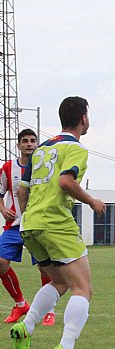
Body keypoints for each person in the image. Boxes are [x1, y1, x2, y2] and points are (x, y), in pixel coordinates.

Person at [10, 96, 106, 349]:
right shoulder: (75, 149)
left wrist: (28, 217)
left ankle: (26, 327)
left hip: (30, 225)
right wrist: (92, 201)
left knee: (59, 282)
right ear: (83, 118)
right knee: (83, 288)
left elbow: (22, 190)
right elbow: (66, 181)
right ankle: (66, 348)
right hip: (55, 223)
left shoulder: (40, 150)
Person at [1, 129, 56, 325]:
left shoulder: (45, 168)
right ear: (18, 145)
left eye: (33, 141)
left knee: (45, 268)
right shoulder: (8, 168)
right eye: (25, 141)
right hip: (14, 226)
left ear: (37, 144)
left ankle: (49, 310)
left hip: (38, 224)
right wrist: (2, 208)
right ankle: (20, 304)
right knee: (1, 262)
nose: (29, 144)